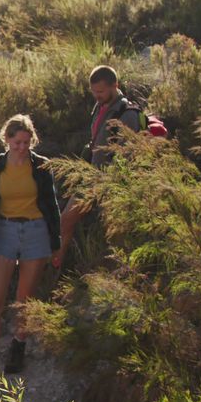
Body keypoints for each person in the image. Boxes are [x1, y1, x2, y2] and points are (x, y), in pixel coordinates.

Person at [0, 114, 62, 389]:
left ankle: (18, 347)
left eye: (26, 142)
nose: (22, 148)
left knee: (24, 299)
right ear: (7, 140)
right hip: (4, 232)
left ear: (32, 141)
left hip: (35, 233)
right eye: (16, 143)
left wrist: (56, 243)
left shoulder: (42, 166)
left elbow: (52, 206)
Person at [58, 65, 141, 263]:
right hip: (91, 179)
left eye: (101, 92)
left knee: (114, 235)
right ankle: (55, 265)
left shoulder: (127, 115)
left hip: (111, 185)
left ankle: (118, 275)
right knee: (66, 220)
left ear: (115, 86)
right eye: (94, 92)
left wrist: (109, 185)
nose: (97, 96)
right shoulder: (100, 107)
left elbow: (128, 155)